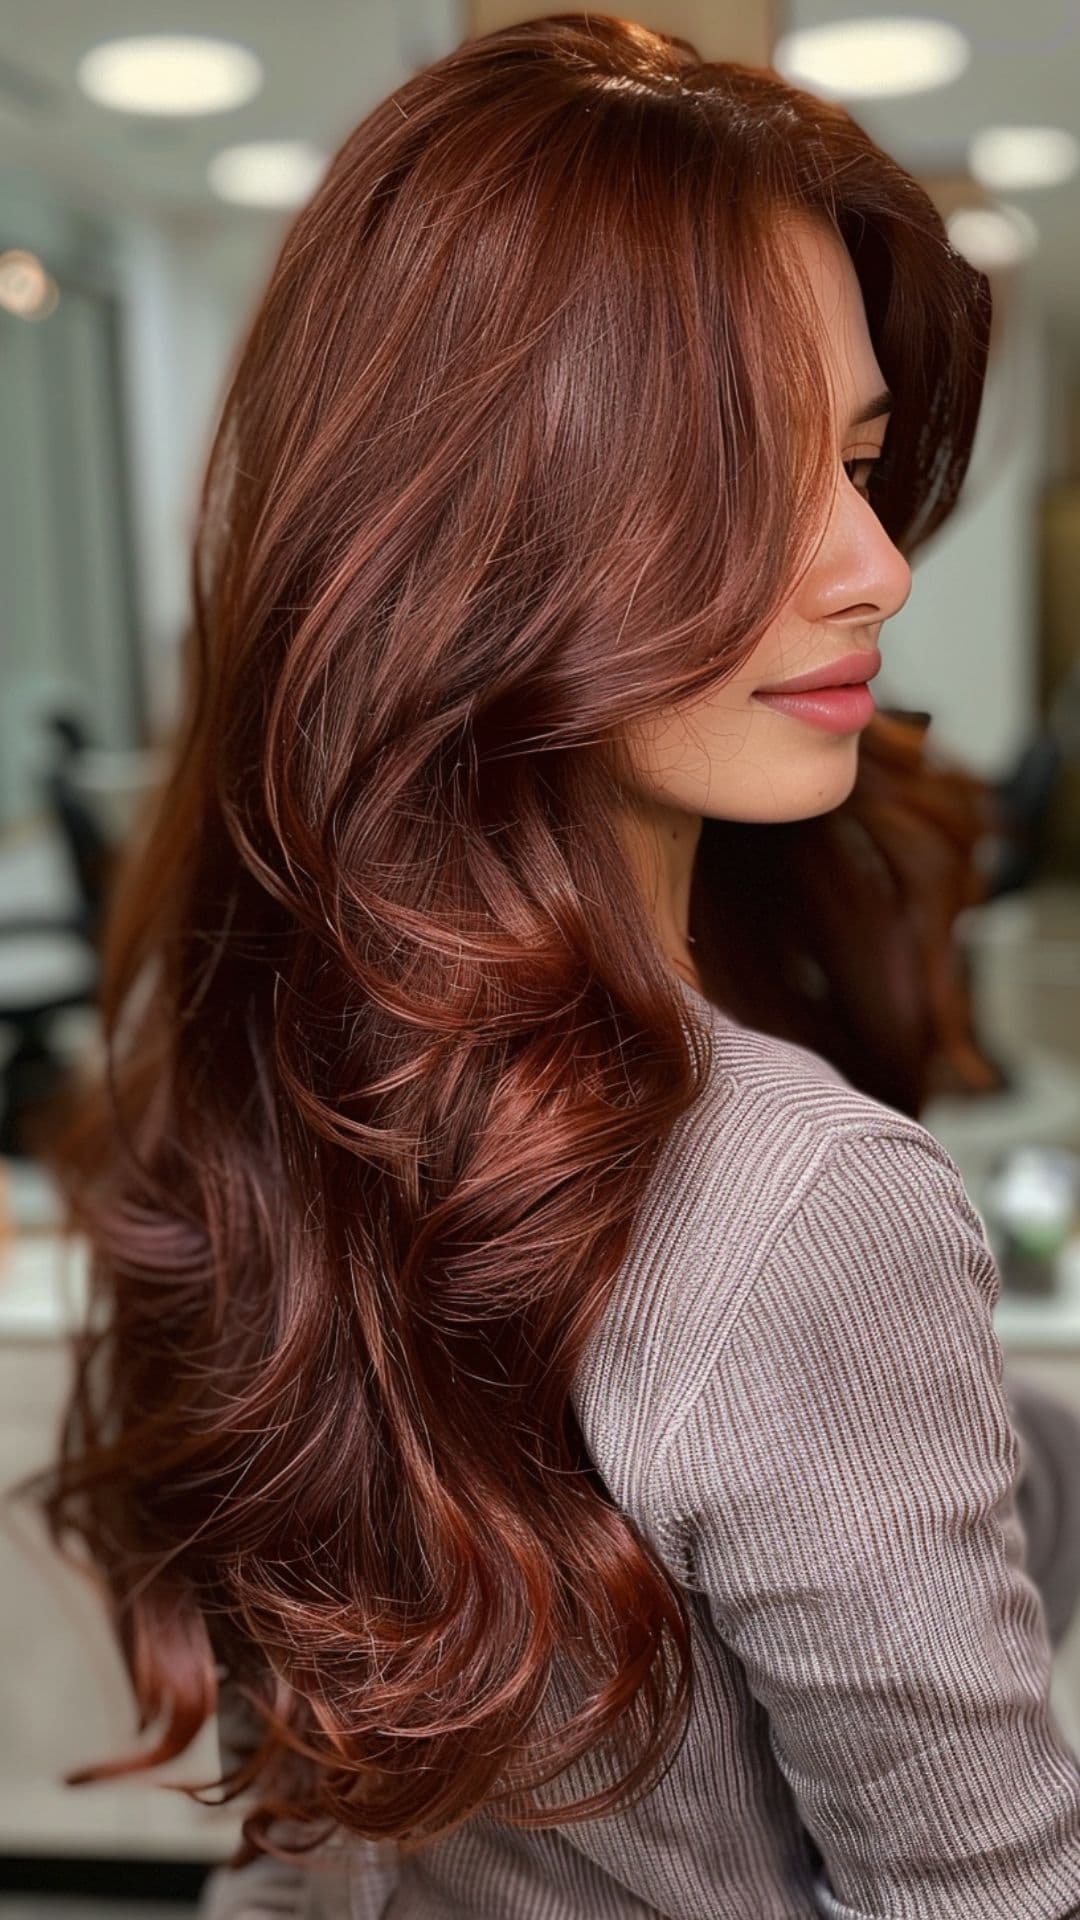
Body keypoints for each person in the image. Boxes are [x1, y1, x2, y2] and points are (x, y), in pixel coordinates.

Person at [19, 13, 1080, 1917]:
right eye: (749, 469)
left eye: (856, 461)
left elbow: (316, 1836)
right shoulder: (806, 1205)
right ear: (488, 526)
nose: (875, 566)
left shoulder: (284, 1069)